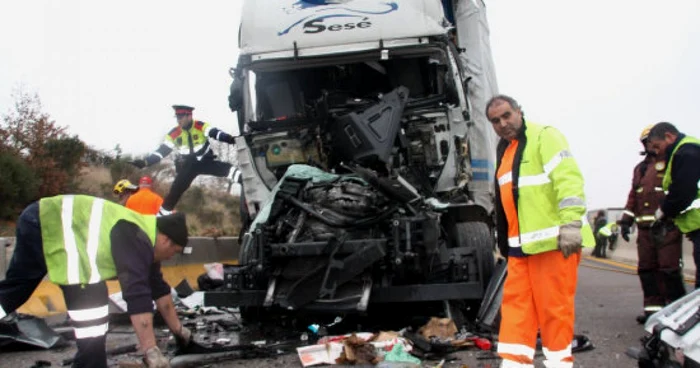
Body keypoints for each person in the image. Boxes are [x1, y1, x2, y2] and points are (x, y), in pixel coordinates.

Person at [0, 195, 193, 367]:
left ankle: (89, 361)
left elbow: (159, 290)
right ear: (166, 240)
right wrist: (151, 351)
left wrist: (180, 332)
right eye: (174, 252)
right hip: (46, 221)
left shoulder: (146, 239)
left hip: (43, 219)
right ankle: (89, 361)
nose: (170, 258)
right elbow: (137, 295)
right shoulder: (135, 237)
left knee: (18, 288)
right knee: (89, 298)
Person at [488, 94, 594, 368]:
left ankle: (559, 364)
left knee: (553, 312)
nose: (502, 123)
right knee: (516, 311)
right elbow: (507, 201)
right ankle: (514, 364)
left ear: (519, 112)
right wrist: (503, 242)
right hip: (520, 249)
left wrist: (571, 224)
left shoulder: (544, 136)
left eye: (506, 115)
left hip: (554, 243)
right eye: (495, 121)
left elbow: (569, 180)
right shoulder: (506, 149)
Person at [620, 124, 686, 324]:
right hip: (644, 231)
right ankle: (653, 311)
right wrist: (626, 220)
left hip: (667, 227)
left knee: (669, 270)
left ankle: (676, 312)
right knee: (647, 270)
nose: (650, 146)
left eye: (652, 142)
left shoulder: (672, 163)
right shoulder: (640, 169)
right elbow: (634, 196)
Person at [130, 105, 243, 215]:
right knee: (175, 190)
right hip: (189, 165)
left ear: (189, 116)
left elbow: (214, 132)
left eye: (181, 118)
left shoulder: (199, 125)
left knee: (228, 169)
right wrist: (145, 162)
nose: (178, 121)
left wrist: (229, 139)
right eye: (177, 118)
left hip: (205, 161)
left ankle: (244, 181)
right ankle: (162, 215)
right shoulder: (174, 133)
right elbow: (162, 151)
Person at [647, 122, 700, 288]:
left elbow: (683, 190)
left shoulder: (687, 152)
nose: (657, 152)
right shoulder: (686, 151)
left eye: (657, 146)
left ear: (669, 136)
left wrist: (664, 211)